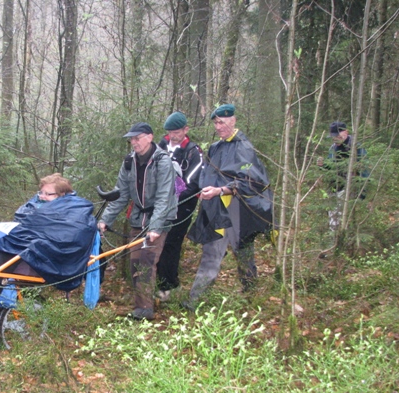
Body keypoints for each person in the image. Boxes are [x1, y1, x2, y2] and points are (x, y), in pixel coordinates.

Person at [0, 174, 97, 323]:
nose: (42, 197)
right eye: (41, 192)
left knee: (11, 250)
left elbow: (65, 237)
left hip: (50, 260)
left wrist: (33, 242)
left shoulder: (74, 210)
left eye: (48, 194)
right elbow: (28, 228)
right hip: (32, 253)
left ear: (63, 195)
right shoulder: (38, 206)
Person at [185, 104, 273, 308]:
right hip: (217, 209)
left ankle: (251, 297)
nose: (218, 127)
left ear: (233, 121)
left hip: (238, 210)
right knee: (211, 252)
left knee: (243, 251)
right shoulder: (215, 147)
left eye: (222, 122)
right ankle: (194, 300)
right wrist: (203, 190)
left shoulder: (243, 147)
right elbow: (207, 174)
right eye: (216, 123)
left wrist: (221, 190)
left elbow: (251, 181)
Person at [98, 122, 177, 320]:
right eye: (131, 139)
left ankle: (144, 310)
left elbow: (164, 197)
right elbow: (121, 195)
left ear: (149, 137)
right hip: (137, 219)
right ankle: (144, 303)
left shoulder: (162, 162)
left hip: (159, 219)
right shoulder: (129, 162)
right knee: (134, 264)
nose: (134, 142)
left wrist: (156, 227)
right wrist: (105, 220)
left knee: (146, 262)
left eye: (137, 138)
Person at [155, 112, 203, 302]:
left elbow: (192, 183)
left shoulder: (193, 151)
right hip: (160, 204)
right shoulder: (161, 146)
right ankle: (155, 281)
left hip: (182, 206)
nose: (172, 136)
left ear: (185, 130)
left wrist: (174, 199)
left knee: (171, 243)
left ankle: (168, 285)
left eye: (176, 132)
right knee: (156, 241)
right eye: (170, 132)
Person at [317, 121, 368, 230]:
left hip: (349, 187)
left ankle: (339, 237)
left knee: (340, 215)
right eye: (333, 136)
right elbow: (331, 166)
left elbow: (364, 169)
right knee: (333, 213)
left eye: (338, 136)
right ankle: (334, 238)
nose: (335, 139)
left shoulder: (356, 148)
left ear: (346, 132)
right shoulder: (333, 148)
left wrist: (362, 191)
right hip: (334, 187)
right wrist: (323, 165)